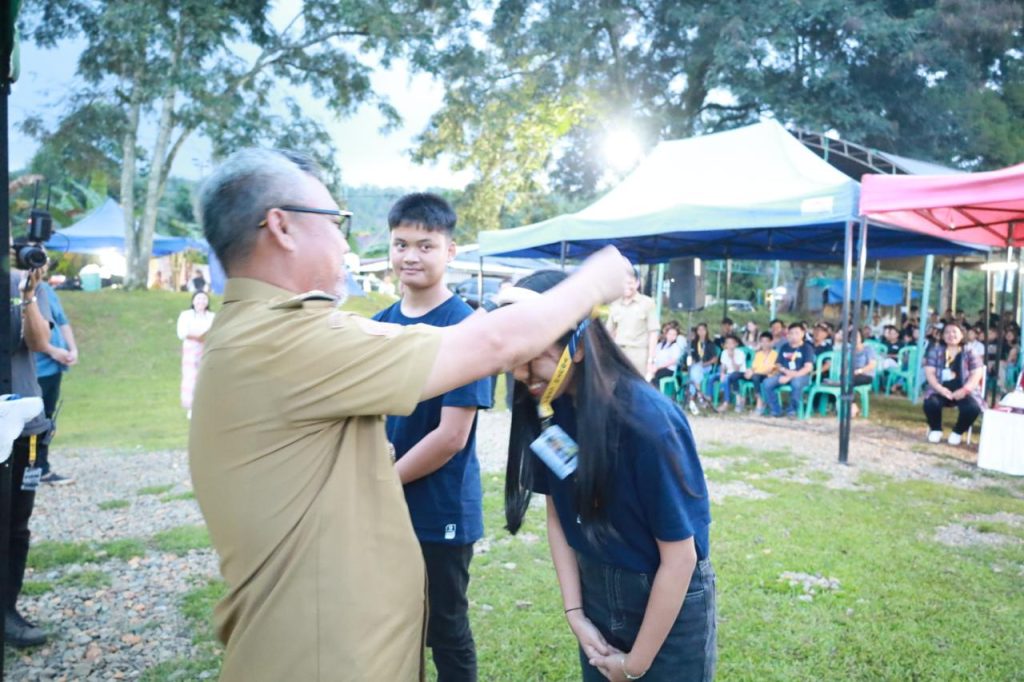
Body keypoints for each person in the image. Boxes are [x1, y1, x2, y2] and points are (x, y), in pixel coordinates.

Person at [187, 148, 628, 681]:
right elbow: (491, 345)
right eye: (335, 221)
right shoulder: (283, 338)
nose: (344, 240)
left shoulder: (257, 334)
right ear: (281, 227)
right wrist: (596, 278)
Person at [502, 270, 716, 682]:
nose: (521, 373)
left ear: (578, 345)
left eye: (532, 355)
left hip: (667, 599)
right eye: (512, 358)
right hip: (595, 589)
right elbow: (557, 517)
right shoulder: (544, 408)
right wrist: (575, 613)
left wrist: (634, 666)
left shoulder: (648, 423)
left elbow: (680, 558)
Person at [371, 193, 492, 681]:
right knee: (389, 626)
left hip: (439, 509)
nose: (411, 257)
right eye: (401, 244)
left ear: (451, 251)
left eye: (426, 245)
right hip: (382, 504)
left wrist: (380, 481)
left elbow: (450, 437)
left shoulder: (465, 327)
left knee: (444, 628)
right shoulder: (380, 325)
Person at [4, 268, 55, 647]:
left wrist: (27, 297)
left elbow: (38, 342)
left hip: (24, 428)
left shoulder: (25, 283)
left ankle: (7, 612)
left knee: (15, 525)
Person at [33, 273, 79, 485]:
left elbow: (62, 321)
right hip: (34, 369)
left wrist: (72, 349)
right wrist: (52, 351)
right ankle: (30, 468)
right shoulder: (16, 289)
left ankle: (41, 467)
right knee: (31, 421)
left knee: (48, 419)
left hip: (53, 368)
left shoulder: (46, 289)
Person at [922, 322, 985, 445]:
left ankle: (957, 432)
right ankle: (936, 429)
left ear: (962, 335)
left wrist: (965, 390)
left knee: (973, 408)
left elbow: (977, 373)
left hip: (964, 390)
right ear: (942, 336)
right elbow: (930, 373)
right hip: (940, 389)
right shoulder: (935, 350)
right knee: (930, 403)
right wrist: (940, 389)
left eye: (954, 332)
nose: (950, 335)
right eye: (947, 332)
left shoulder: (970, 351)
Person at [607, 264, 659, 375]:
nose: (627, 286)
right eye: (624, 283)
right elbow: (608, 332)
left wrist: (651, 360)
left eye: (630, 283)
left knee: (637, 388)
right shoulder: (615, 304)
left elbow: (653, 333)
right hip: (619, 353)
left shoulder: (648, 303)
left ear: (637, 283)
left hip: (639, 355)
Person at [761, 323, 815, 419]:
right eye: (791, 333)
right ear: (788, 335)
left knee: (796, 383)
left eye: (797, 333)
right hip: (784, 374)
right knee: (767, 383)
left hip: (801, 376)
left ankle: (792, 410)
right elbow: (778, 364)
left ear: (803, 333)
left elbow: (808, 367)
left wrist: (791, 376)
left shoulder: (807, 348)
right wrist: (785, 371)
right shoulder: (784, 347)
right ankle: (776, 410)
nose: (794, 336)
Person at [176, 291, 215, 419]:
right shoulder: (186, 315)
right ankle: (192, 407)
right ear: (193, 301)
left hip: (208, 348)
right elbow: (182, 332)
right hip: (191, 350)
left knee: (207, 377)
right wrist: (197, 337)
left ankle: (207, 405)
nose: (201, 302)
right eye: (198, 299)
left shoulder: (212, 316)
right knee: (191, 377)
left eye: (204, 299)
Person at [834, 329, 877, 418]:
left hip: (865, 375)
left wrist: (859, 371)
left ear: (861, 337)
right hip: (851, 375)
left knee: (848, 381)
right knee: (842, 379)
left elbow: (872, 365)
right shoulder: (848, 350)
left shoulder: (868, 349)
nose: (855, 338)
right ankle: (851, 405)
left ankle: (851, 407)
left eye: (857, 336)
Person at [686, 322, 717, 416]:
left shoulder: (710, 343)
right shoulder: (694, 343)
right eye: (699, 330)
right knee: (695, 370)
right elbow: (691, 356)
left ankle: (692, 398)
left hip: (707, 366)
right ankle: (699, 396)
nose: (701, 332)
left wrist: (704, 364)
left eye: (703, 329)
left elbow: (714, 359)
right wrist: (695, 362)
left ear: (706, 331)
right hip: (696, 367)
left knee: (694, 372)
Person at [711, 335, 746, 412]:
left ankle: (726, 403)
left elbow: (737, 369)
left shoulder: (740, 353)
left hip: (739, 373)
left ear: (736, 344)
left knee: (728, 378)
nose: (730, 345)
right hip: (728, 373)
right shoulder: (724, 352)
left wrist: (732, 357)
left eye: (731, 343)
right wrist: (722, 374)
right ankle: (708, 399)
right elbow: (723, 366)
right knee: (712, 378)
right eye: (728, 343)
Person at [746, 332, 778, 416]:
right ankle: (760, 401)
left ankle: (759, 403)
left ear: (771, 342)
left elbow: (771, 369)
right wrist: (749, 371)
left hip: (770, 376)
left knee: (755, 376)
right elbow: (754, 366)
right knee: (743, 375)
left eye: (767, 341)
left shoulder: (775, 354)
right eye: (762, 341)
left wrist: (754, 372)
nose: (764, 344)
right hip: (757, 375)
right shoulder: (758, 354)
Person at [650, 322, 684, 387]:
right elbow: (654, 356)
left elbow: (673, 361)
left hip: (669, 370)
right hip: (657, 367)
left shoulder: (675, 346)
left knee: (655, 376)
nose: (671, 336)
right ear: (666, 334)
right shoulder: (660, 345)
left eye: (674, 335)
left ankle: (657, 394)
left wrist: (658, 367)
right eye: (670, 334)